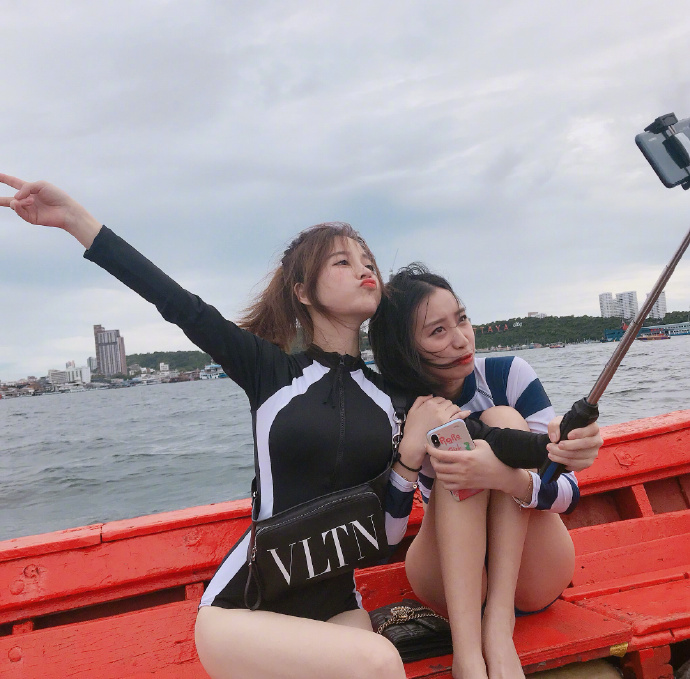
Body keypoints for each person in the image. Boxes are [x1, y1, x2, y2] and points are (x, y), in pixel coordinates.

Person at [1, 175, 592, 679]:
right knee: (381, 663)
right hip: (246, 609)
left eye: (368, 261)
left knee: (379, 646)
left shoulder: (396, 400)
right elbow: (174, 301)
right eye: (343, 262)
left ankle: (482, 651)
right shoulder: (269, 372)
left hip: (336, 609)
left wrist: (551, 443)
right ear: (303, 291)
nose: (364, 269)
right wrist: (75, 220)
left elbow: (396, 527)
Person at [368, 264, 602, 679]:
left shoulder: (507, 375)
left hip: (533, 572)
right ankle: (467, 656)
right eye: (438, 331)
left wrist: (503, 476)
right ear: (405, 348)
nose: (461, 339)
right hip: (450, 581)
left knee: (503, 418)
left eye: (461, 319)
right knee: (452, 442)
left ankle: (498, 629)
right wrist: (411, 450)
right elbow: (385, 538)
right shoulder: (393, 407)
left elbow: (568, 493)